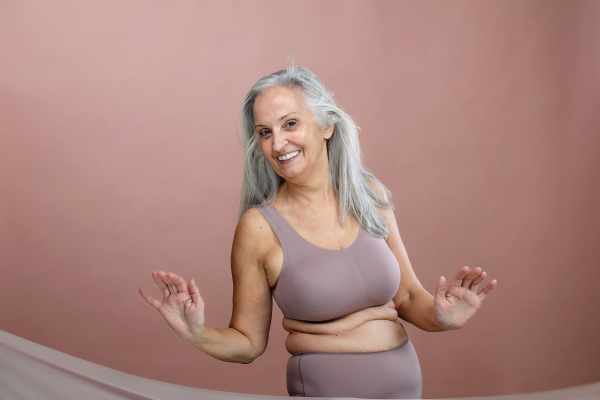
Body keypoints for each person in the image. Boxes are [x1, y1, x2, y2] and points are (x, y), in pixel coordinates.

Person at [139, 67, 497, 399]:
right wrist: (197, 333)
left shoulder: (371, 196)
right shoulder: (259, 228)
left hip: (404, 389)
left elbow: (406, 297)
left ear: (326, 124)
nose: (278, 144)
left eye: (290, 124)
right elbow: (248, 342)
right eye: (265, 132)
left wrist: (442, 318)